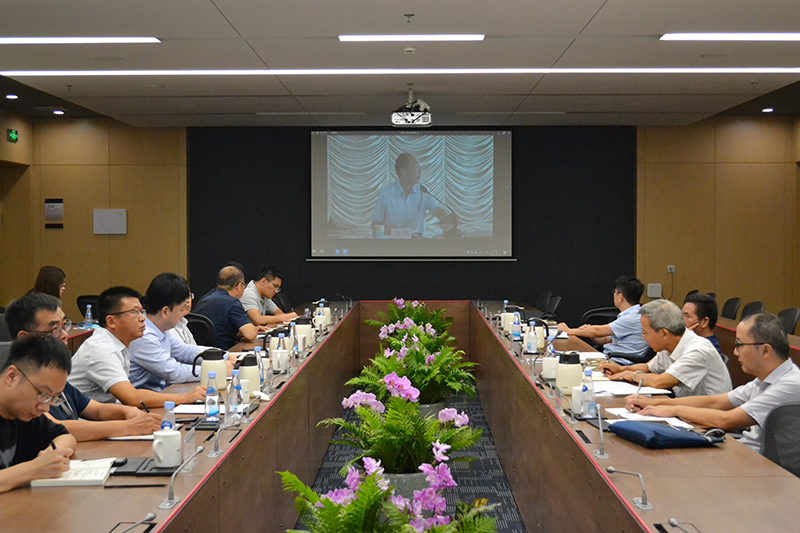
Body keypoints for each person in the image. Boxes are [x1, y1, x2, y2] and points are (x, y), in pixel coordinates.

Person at [626, 312, 800, 453]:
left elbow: (726, 419)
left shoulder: (790, 384)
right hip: (745, 454)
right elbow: (715, 402)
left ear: (765, 350)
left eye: (739, 344)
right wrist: (654, 403)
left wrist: (674, 409)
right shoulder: (763, 380)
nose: (735, 352)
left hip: (765, 468)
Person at [4, 292, 161, 441]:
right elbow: (53, 427)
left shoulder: (54, 373)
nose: (65, 335)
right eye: (54, 329)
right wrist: (128, 427)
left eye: (64, 325)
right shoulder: (21, 380)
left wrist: (129, 412)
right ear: (24, 338)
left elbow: (95, 410)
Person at [68, 286, 205, 407]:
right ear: (111, 321)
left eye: (141, 311)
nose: (143, 318)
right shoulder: (102, 350)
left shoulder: (121, 342)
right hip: (81, 421)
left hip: (105, 413)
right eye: (134, 312)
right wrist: (184, 398)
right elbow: (132, 398)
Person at [600, 299, 732, 397]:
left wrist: (631, 375)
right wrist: (621, 369)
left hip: (709, 418)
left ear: (664, 333)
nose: (643, 338)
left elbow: (659, 382)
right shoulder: (669, 343)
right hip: (688, 409)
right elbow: (648, 368)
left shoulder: (697, 351)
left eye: (645, 333)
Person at [130, 273, 235, 392]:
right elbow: (173, 372)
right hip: (147, 400)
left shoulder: (160, 330)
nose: (183, 314)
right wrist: (216, 370)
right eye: (181, 309)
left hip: (163, 394)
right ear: (165, 311)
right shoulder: (144, 335)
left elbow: (185, 351)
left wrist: (224, 356)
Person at [0, 335, 77, 493]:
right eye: (43, 394)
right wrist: (34, 468)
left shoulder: (21, 413)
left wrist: (50, 456)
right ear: (12, 376)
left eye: (53, 399)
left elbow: (66, 437)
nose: (46, 408)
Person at [557, 276, 650, 357]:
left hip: (617, 361)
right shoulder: (631, 314)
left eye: (614, 292)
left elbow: (597, 331)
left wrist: (568, 331)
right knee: (567, 341)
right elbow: (605, 339)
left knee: (566, 341)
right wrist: (587, 334)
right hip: (611, 356)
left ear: (620, 297)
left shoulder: (632, 317)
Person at [371, 153, 454, 238]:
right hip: (393, 243)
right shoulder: (386, 194)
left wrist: (445, 217)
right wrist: (387, 229)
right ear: (403, 172)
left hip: (417, 242)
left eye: (419, 167)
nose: (420, 171)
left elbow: (436, 209)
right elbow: (375, 224)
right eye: (416, 168)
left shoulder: (423, 191)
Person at [193, 266, 265, 350]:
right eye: (244, 286)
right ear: (239, 286)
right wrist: (253, 329)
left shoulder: (204, 299)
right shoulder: (233, 302)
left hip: (200, 352)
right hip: (225, 352)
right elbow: (250, 335)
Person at [683, 292, 724, 357]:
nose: (681, 320)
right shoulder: (692, 343)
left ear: (704, 322)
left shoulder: (706, 351)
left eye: (686, 316)